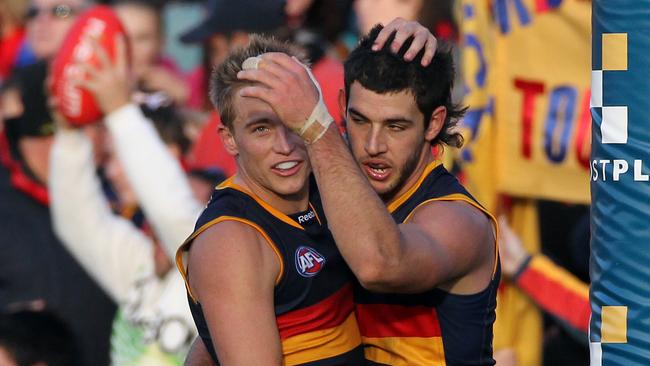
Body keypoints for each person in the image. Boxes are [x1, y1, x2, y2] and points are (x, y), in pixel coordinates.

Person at [238, 21, 498, 365]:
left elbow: (380, 264)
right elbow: (231, 313)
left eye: (395, 126)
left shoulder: (459, 220)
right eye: (360, 120)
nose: (374, 145)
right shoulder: (317, 187)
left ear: (433, 123)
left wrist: (316, 127)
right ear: (343, 104)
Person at [174, 35, 365, 365]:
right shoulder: (231, 239)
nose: (285, 145)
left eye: (293, 122)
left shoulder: (331, 187)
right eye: (261, 128)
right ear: (230, 138)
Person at [0, 61, 116, 366]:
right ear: (18, 140)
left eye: (75, 131)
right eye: (42, 133)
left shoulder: (125, 195)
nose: (58, 147)